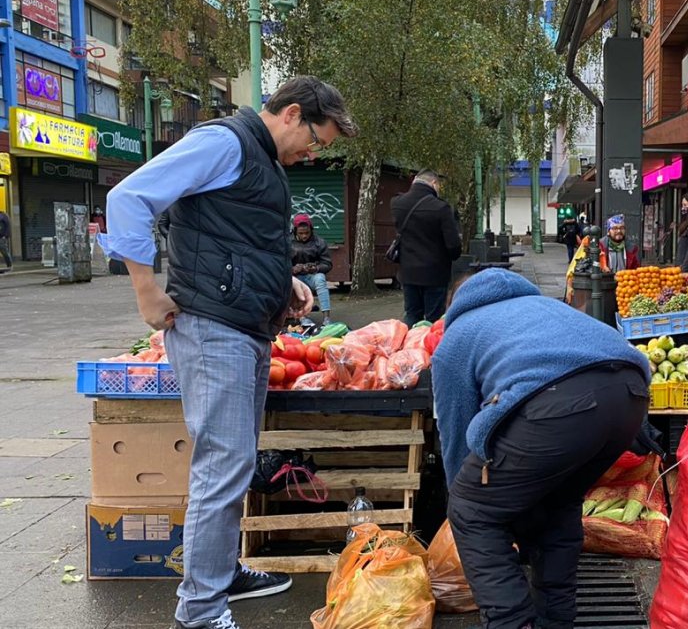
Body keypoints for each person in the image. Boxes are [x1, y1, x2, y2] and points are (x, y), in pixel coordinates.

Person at [100, 76, 357, 629]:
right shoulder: (226, 142)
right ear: (292, 114)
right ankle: (200, 611)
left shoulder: (260, 159)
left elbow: (238, 237)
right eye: (317, 138)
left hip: (243, 328)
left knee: (232, 463)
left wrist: (283, 281)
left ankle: (219, 574)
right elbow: (127, 199)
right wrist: (146, 290)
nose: (314, 152)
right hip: (214, 330)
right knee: (223, 468)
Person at [432, 268, 650, 629]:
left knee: (472, 510)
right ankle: (555, 621)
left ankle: (511, 623)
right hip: (631, 394)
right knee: (558, 503)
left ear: (452, 306)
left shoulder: (458, 335)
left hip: (557, 407)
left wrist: (465, 497)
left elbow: (455, 429)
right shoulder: (544, 307)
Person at [391, 169, 462, 325]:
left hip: (408, 273)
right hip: (434, 274)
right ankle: (430, 349)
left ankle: (409, 347)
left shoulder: (397, 203)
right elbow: (453, 247)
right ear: (434, 183)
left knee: (411, 315)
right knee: (434, 320)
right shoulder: (441, 208)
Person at [290, 213, 334, 325]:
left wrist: (315, 268)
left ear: (311, 230)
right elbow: (281, 264)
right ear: (295, 231)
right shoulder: (288, 243)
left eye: (307, 233)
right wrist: (293, 269)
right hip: (296, 277)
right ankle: (303, 317)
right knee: (294, 285)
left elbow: (327, 264)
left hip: (312, 276)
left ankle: (327, 318)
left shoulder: (319, 242)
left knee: (321, 278)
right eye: (301, 233)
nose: (304, 236)